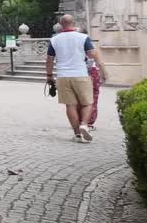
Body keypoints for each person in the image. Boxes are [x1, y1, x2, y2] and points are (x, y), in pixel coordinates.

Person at [45, 15, 107, 143]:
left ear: (61, 24)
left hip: (63, 76)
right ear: (73, 23)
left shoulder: (54, 40)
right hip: (80, 74)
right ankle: (84, 124)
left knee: (70, 105)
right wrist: (102, 70)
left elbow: (49, 60)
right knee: (88, 103)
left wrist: (49, 76)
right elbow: (92, 54)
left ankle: (77, 135)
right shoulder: (83, 38)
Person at [86, 55, 102, 131]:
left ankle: (79, 121)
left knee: (79, 99)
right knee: (93, 99)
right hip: (90, 72)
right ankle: (88, 123)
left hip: (76, 74)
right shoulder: (89, 48)